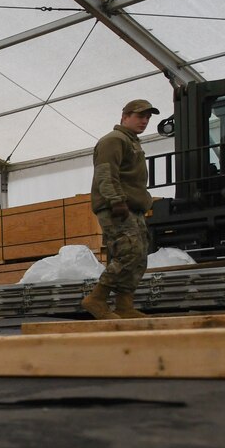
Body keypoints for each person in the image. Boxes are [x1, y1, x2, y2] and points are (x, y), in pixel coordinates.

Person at [83, 99, 159, 320]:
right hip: (117, 207)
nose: (144, 121)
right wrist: (116, 201)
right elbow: (105, 173)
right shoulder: (114, 140)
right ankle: (96, 298)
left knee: (139, 256)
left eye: (147, 117)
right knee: (129, 252)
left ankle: (124, 305)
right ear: (125, 117)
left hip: (131, 208)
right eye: (139, 116)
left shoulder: (132, 142)